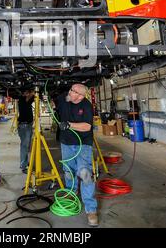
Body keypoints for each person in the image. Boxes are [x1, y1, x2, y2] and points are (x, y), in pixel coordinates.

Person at [57, 83, 98, 227]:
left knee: (85, 173)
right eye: (70, 90)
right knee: (68, 171)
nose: (69, 93)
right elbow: (53, 100)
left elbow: (87, 126)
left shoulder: (86, 105)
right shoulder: (65, 98)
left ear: (80, 96)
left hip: (83, 144)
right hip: (66, 143)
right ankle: (71, 197)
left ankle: (91, 210)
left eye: (73, 91)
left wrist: (69, 124)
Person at [17, 89, 35, 173]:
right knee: (25, 145)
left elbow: (31, 98)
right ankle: (23, 166)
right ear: (24, 93)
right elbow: (29, 97)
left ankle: (26, 163)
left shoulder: (27, 100)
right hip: (24, 126)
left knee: (26, 145)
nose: (28, 94)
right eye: (27, 93)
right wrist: (33, 91)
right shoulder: (21, 99)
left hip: (27, 125)